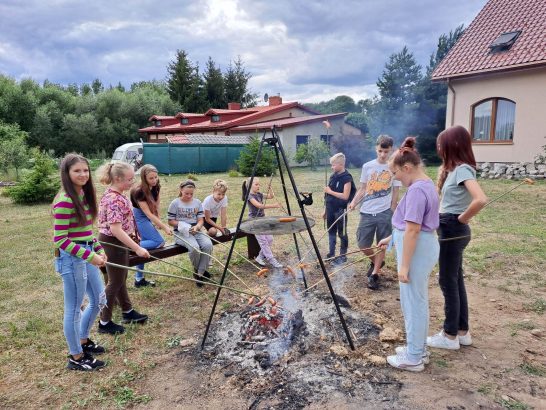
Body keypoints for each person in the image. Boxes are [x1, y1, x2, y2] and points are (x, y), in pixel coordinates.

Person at [377, 137, 440, 372]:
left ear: (407, 168)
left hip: (416, 251)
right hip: (421, 246)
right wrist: (393, 238)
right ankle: (418, 348)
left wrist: (403, 267)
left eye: (395, 174)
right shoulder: (425, 184)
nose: (395, 178)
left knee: (413, 303)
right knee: (418, 301)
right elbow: (410, 226)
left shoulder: (415, 191)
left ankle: (413, 357)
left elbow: (413, 229)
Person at [427, 125, 487, 350]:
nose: (439, 148)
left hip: (452, 228)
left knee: (447, 280)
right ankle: (462, 331)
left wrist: (461, 219)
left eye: (442, 144)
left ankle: (449, 335)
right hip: (449, 227)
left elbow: (480, 199)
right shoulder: (454, 170)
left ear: (453, 145)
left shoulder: (462, 170)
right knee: (455, 280)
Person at [53, 154, 107, 371]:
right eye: (77, 171)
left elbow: (84, 232)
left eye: (85, 170)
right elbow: (60, 240)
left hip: (85, 252)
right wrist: (89, 256)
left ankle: (83, 340)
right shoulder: (65, 199)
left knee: (98, 298)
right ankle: (76, 356)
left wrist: (98, 248)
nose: (83, 174)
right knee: (74, 308)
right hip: (71, 258)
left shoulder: (83, 194)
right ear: (67, 174)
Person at [97, 162, 150, 335]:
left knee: (120, 278)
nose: (132, 182)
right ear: (118, 179)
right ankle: (104, 322)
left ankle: (127, 311)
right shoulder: (114, 199)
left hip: (117, 241)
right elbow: (115, 229)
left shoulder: (116, 194)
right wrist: (137, 249)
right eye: (129, 179)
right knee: (115, 282)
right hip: (113, 242)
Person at [349, 135, 401, 290]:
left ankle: (375, 274)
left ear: (391, 150)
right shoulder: (368, 166)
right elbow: (363, 188)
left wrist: (392, 209)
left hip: (384, 212)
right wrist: (353, 202)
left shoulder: (394, 168)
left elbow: (396, 190)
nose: (383, 155)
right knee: (363, 244)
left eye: (386, 151)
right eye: (380, 151)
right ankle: (377, 261)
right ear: (376, 149)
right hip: (366, 211)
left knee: (381, 245)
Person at [130, 164, 172, 288]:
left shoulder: (156, 186)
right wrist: (164, 226)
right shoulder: (139, 192)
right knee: (158, 242)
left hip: (147, 216)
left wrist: (157, 220)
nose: (154, 180)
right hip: (139, 218)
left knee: (144, 247)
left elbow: (155, 207)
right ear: (144, 178)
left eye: (156, 177)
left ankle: (139, 279)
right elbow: (147, 213)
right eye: (151, 178)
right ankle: (129, 247)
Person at [167, 180, 213, 287]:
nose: (189, 196)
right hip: (180, 232)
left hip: (196, 230)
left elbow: (201, 220)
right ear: (181, 190)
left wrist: (197, 227)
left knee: (208, 245)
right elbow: (170, 221)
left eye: (191, 194)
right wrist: (183, 226)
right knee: (194, 248)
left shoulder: (197, 202)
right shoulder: (175, 203)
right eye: (186, 193)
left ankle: (200, 272)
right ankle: (200, 272)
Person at [242, 177, 283, 268]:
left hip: (262, 220)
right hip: (254, 222)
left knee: (270, 239)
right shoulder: (249, 196)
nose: (258, 186)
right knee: (263, 241)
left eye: (259, 184)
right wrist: (274, 206)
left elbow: (270, 196)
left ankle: (259, 257)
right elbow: (259, 206)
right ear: (249, 186)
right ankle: (271, 259)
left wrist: (270, 189)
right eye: (256, 184)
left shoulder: (259, 194)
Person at [322, 153, 354, 264]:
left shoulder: (347, 178)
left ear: (341, 164)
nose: (332, 167)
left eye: (333, 165)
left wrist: (330, 191)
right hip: (330, 209)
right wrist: (325, 210)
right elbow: (328, 196)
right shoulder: (333, 176)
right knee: (331, 232)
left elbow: (345, 196)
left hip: (340, 210)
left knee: (342, 233)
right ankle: (331, 253)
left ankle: (343, 255)